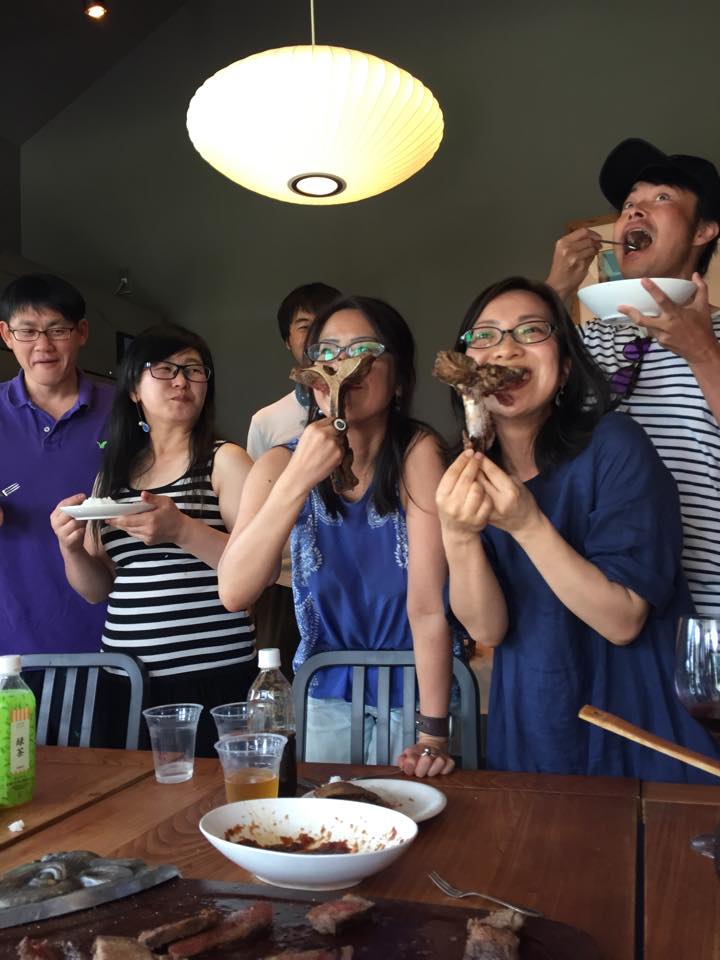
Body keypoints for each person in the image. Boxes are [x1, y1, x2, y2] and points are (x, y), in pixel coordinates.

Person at [434, 275, 719, 781]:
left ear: (565, 366)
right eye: (485, 335)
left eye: (530, 331)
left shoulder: (616, 446)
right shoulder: (467, 471)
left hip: (640, 733)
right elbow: (487, 629)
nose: (505, 348)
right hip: (534, 730)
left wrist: (527, 524)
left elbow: (623, 620)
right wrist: (457, 536)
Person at [219, 296, 454, 776]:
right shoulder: (279, 464)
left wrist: (433, 734)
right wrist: (297, 478)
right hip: (322, 691)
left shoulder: (419, 452)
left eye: (364, 349)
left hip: (417, 688)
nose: (342, 365)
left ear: (400, 377)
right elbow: (235, 591)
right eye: (326, 352)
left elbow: (428, 607)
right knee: (325, 810)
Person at [50, 323, 257, 756]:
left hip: (213, 675)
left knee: (209, 792)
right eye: (164, 369)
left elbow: (259, 569)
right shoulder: (113, 476)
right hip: (126, 678)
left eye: (194, 370)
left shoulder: (225, 460)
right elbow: (97, 589)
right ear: (133, 389)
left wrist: (181, 529)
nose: (181, 381)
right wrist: (70, 548)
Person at [546, 138, 720, 617]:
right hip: (603, 607)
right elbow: (492, 390)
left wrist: (704, 353)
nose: (634, 211)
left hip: (708, 614)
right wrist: (553, 291)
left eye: (661, 197)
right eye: (628, 204)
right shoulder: (587, 339)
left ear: (703, 230)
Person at [0, 273, 114, 662]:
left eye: (57, 330)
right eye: (27, 331)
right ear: (6, 335)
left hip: (117, 637)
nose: (43, 345)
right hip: (12, 641)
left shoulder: (125, 411)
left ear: (82, 332)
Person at [246, 282, 341, 679]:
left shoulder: (369, 414)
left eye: (326, 324)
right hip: (285, 584)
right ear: (288, 341)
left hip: (345, 579)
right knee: (283, 693)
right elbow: (255, 513)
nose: (316, 335)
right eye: (304, 326)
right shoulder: (267, 422)